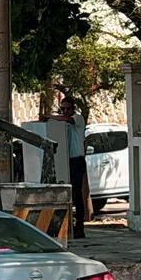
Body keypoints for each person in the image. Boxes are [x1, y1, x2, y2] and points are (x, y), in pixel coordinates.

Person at [47, 95, 89, 238]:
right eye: (62, 109)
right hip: (66, 160)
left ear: (73, 108)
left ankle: (80, 227)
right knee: (65, 192)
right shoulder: (63, 124)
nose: (64, 112)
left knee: (76, 193)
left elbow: (67, 119)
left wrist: (49, 116)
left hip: (77, 160)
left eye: (67, 109)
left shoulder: (77, 119)